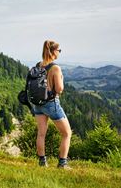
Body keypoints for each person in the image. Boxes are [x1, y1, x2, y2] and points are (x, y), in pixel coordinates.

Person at [30, 40, 72, 169]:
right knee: (66, 133)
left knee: (41, 133)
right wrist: (62, 80)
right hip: (51, 103)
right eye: (59, 50)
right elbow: (59, 89)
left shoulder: (38, 65)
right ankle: (62, 163)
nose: (59, 53)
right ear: (53, 51)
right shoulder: (55, 68)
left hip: (38, 103)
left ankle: (42, 162)